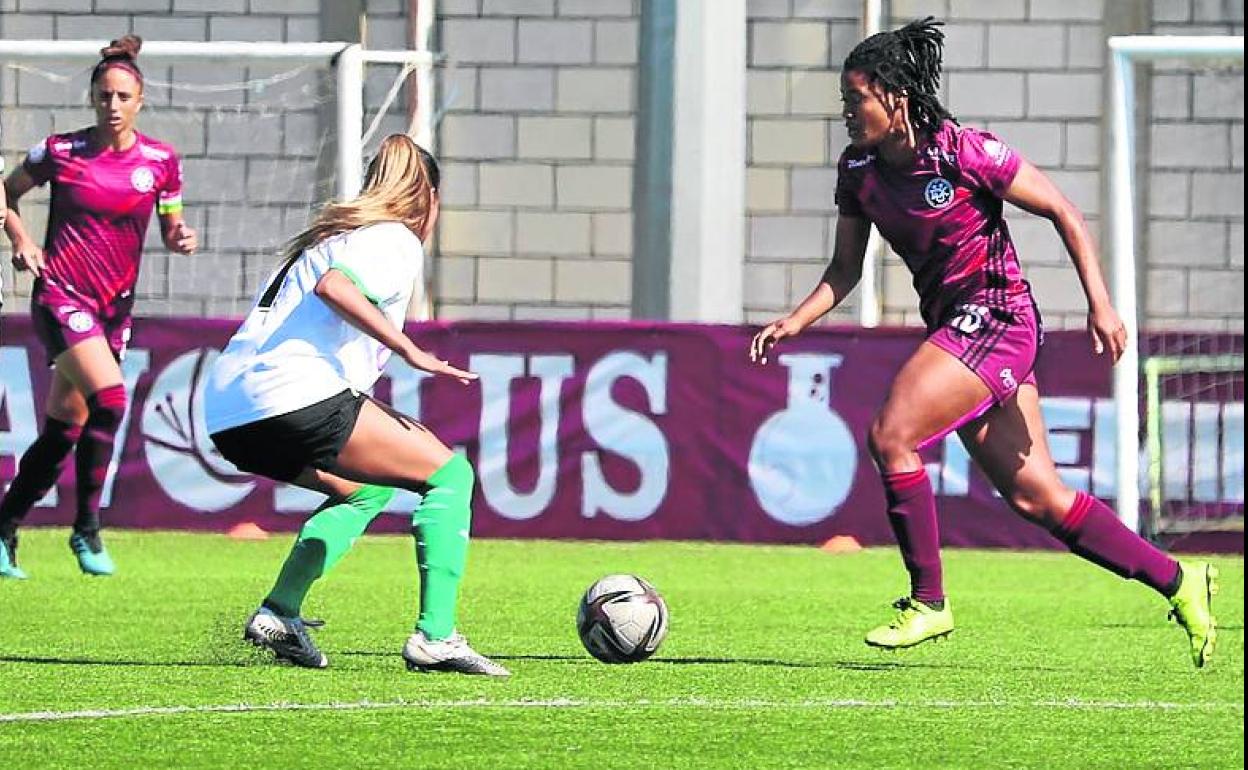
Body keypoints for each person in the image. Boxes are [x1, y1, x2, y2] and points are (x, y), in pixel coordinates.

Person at [750, 18, 1217, 668]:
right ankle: (1179, 581)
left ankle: (929, 603)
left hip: (998, 319)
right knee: (1039, 499)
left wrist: (1101, 304)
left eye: (856, 99)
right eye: (844, 101)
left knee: (892, 434)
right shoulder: (858, 170)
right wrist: (796, 320)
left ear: (895, 98)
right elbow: (846, 270)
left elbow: (1063, 210)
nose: (848, 113)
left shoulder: (964, 152)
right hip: (958, 327)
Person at [203, 134, 508, 677]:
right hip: (292, 393)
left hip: (229, 414)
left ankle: (279, 613)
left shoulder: (334, 235)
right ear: (429, 199)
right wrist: (409, 348)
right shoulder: (393, 238)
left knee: (361, 493)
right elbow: (335, 288)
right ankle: (436, 636)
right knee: (451, 477)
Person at [0, 36, 197, 580]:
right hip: (61, 295)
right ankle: (87, 528)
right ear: (91, 97)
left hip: (114, 310)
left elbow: (170, 221)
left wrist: (179, 236)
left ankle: (4, 527)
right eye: (104, 95)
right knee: (110, 398)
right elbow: (5, 189)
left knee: (65, 426)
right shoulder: (61, 152)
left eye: (122, 96)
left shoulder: (161, 162)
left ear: (140, 101)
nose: (112, 105)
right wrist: (20, 238)